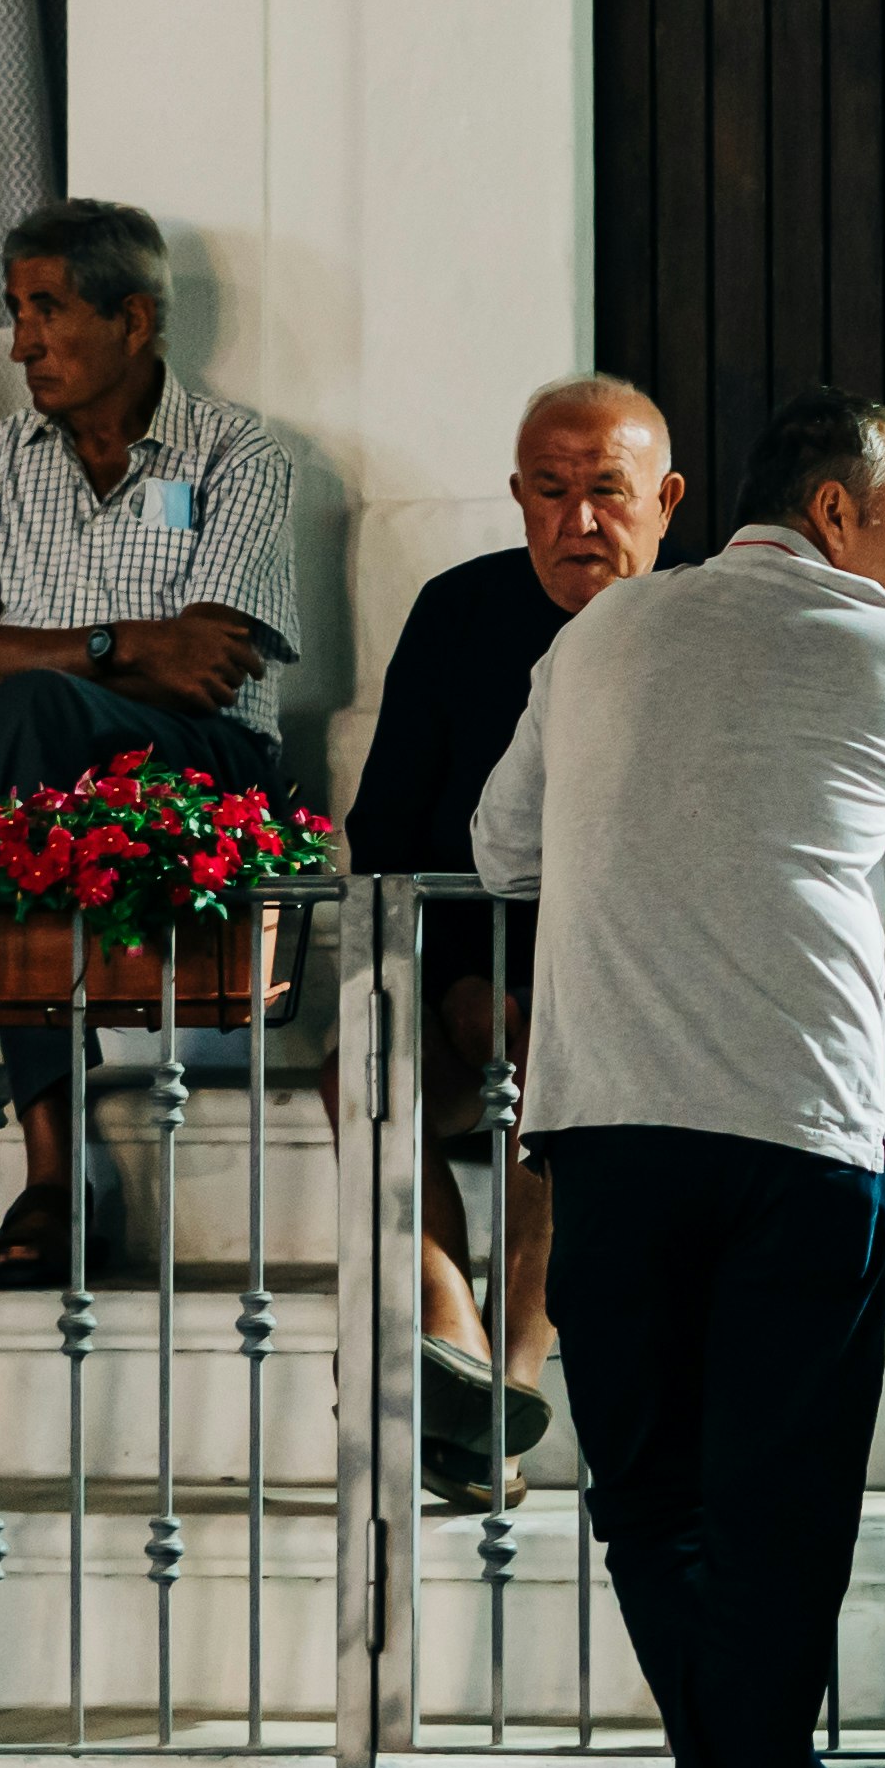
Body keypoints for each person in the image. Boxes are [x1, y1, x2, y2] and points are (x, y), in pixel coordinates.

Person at [473, 385, 885, 1768]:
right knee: (782, 1524)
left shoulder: (595, 642)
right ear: (834, 513)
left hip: (610, 1131)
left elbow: (502, 845)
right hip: (804, 1134)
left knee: (655, 1508)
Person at [0, 197, 303, 1279]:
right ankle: (54, 1165)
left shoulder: (237, 452)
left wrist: (41, 661)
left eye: (47, 309)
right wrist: (119, 641)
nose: (19, 341)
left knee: (21, 721)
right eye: (14, 310)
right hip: (41, 780)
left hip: (208, 767)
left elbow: (209, 671)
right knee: (27, 732)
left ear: (134, 321)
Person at [343, 377, 686, 1505]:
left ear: (666, 502)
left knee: (563, 1056)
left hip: (625, 973)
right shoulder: (459, 610)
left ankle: (509, 1380)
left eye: (606, 494)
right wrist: (441, 976)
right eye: (550, 493)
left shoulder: (698, 631)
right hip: (456, 945)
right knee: (366, 1046)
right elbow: (387, 823)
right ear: (517, 497)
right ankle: (452, 1319)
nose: (577, 522)